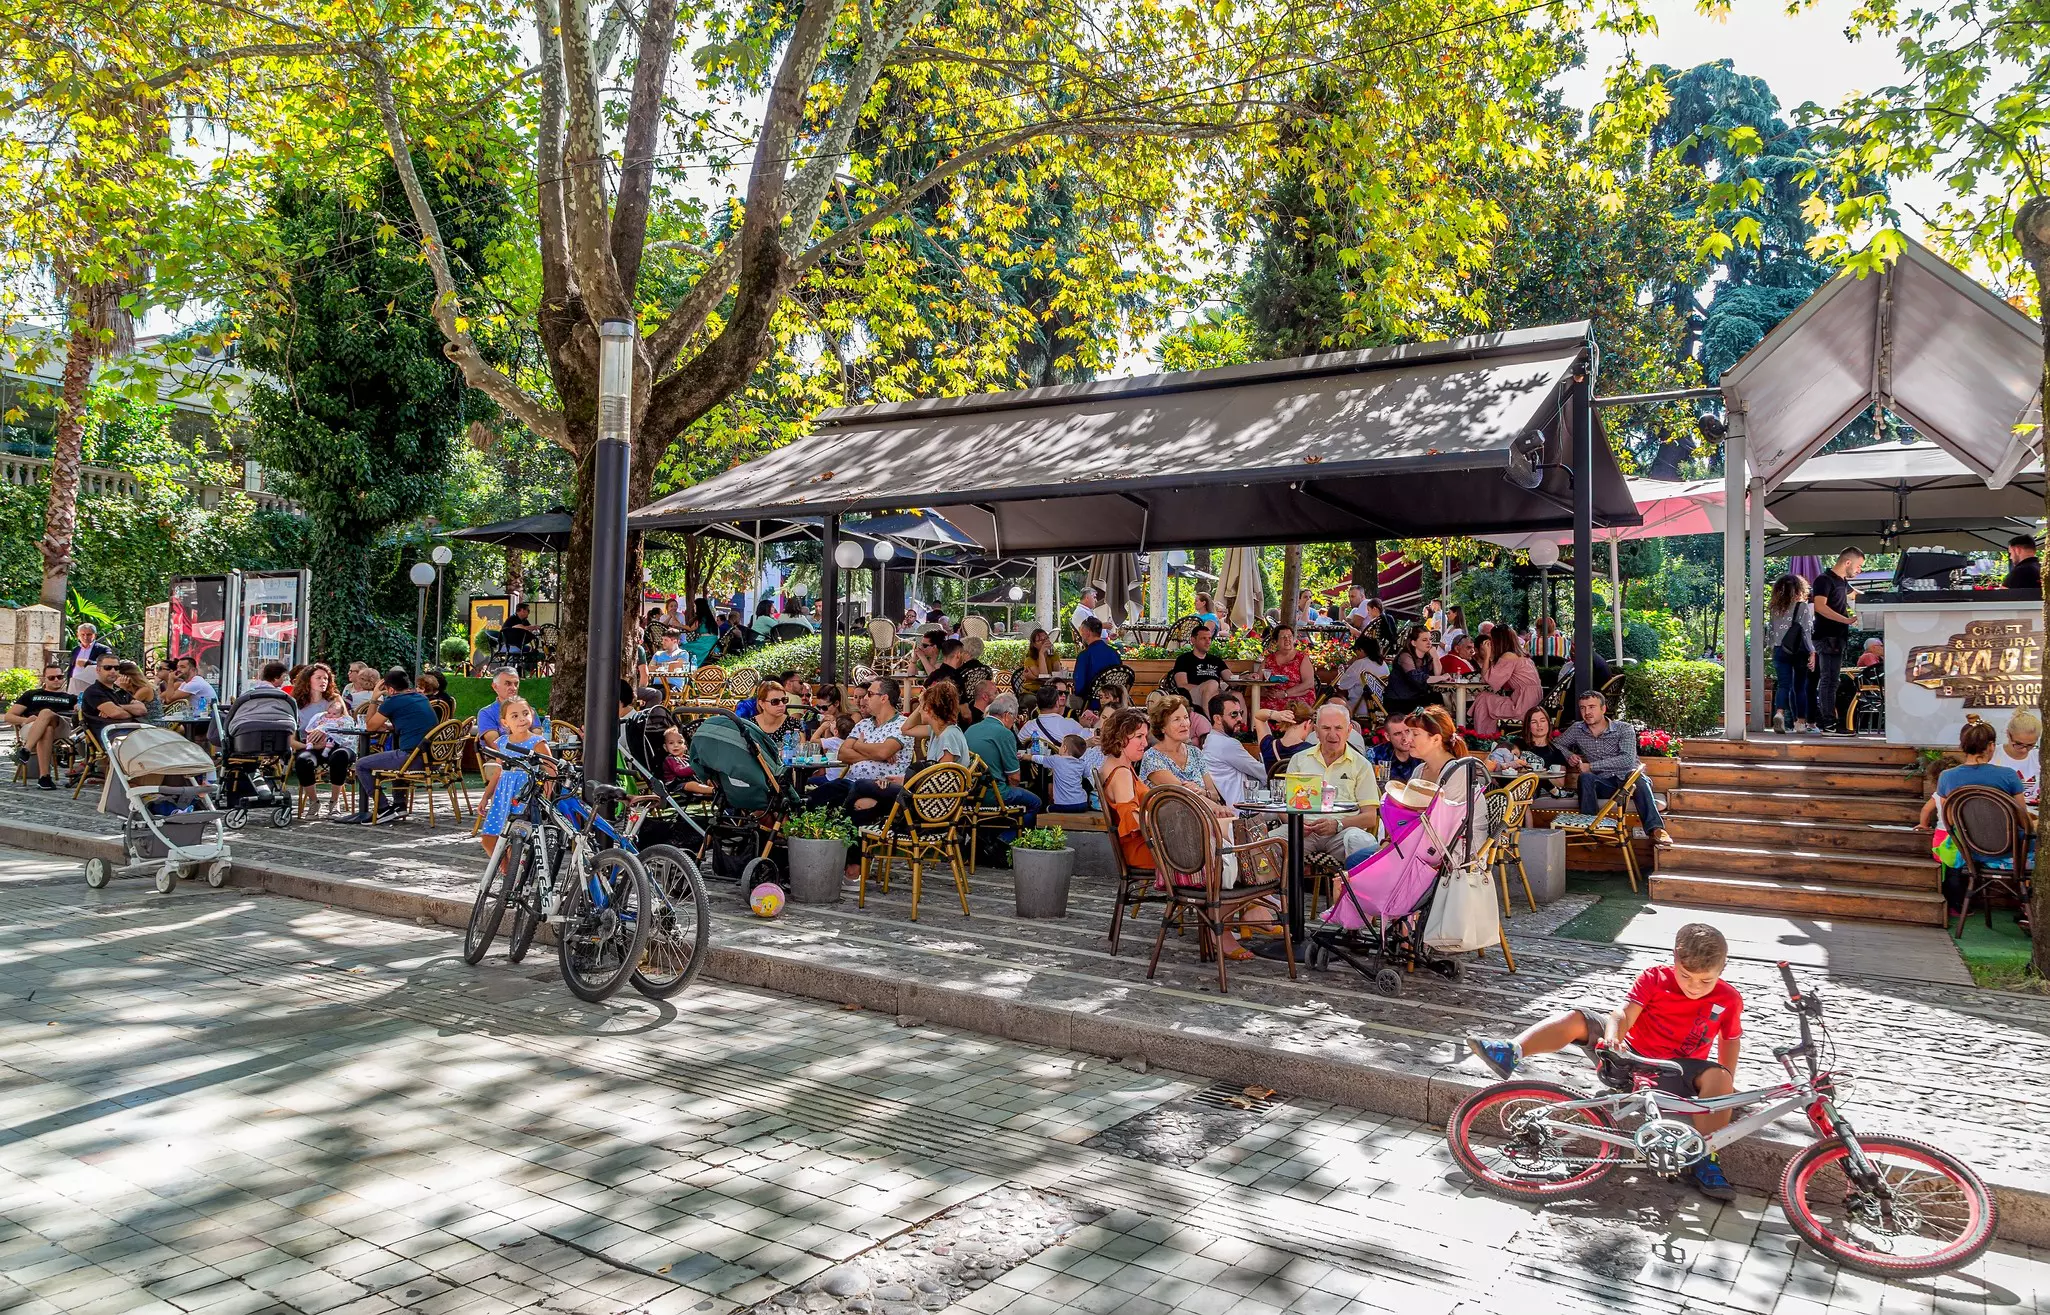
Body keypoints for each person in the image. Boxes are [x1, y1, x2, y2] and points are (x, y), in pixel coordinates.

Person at [1464, 922, 1745, 1201]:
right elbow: (1622, 1014)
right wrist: (1613, 1038)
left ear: (1722, 970)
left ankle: (1704, 1157)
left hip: (1680, 1072)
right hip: (1631, 1060)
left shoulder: (1729, 999)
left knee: (1719, 1077)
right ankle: (1511, 1051)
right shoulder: (1654, 978)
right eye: (1685, 976)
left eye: (1706, 980)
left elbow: (1730, 1040)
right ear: (1674, 959)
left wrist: (1727, 1084)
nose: (1694, 987)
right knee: (1578, 1018)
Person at [1557, 688, 1673, 850]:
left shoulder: (1623, 729)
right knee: (1586, 778)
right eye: (1583, 708)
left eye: (1592, 707)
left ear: (1603, 709)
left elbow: (1627, 760)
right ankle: (1590, 830)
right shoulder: (1577, 729)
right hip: (1605, 784)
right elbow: (1557, 744)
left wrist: (1591, 766)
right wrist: (1569, 755)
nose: (1587, 712)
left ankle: (1656, 829)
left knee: (1635, 776)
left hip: (1629, 783)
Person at [1286, 703, 1382, 865]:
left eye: (1338, 728)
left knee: (1362, 842)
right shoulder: (1300, 760)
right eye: (1326, 728)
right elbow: (1285, 808)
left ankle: (1353, 890)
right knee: (1267, 844)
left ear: (1349, 730)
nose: (1332, 734)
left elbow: (1370, 817)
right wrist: (1296, 823)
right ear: (1315, 731)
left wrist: (1338, 824)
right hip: (1304, 831)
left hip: (1342, 833)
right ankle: (1276, 890)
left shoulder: (1361, 764)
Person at [342, 669, 438, 824]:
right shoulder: (420, 697)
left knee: (361, 765)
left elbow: (370, 726)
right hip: (433, 759)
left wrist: (374, 698)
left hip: (413, 759)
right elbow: (412, 721)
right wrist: (392, 726)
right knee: (394, 755)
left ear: (391, 689)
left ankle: (383, 809)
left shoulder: (392, 701)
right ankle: (399, 805)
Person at [810, 678, 910, 824]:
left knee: (855, 793)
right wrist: (874, 754)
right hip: (851, 782)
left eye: (869, 694)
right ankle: (810, 836)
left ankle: (838, 829)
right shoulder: (863, 724)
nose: (864, 699)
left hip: (883, 786)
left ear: (884, 698)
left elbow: (883, 752)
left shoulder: (902, 725)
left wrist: (857, 745)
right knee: (816, 797)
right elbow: (842, 754)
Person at [478, 697, 551, 856]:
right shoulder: (502, 742)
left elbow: (551, 770)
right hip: (502, 796)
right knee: (488, 838)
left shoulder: (537, 742)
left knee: (516, 841)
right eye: (515, 716)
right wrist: (486, 797)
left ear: (531, 715)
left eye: (525, 714)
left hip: (524, 794)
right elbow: (499, 771)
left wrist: (546, 796)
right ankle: (506, 872)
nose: (522, 719)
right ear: (505, 722)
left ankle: (515, 876)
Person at [967, 693, 1041, 836]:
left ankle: (990, 839)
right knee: (1035, 802)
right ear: (1007, 715)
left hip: (971, 794)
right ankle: (1004, 842)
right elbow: (1015, 778)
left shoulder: (971, 729)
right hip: (994, 794)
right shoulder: (1004, 733)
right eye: (1014, 718)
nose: (1013, 722)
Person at [1808, 547, 1863, 733]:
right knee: (1829, 680)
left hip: (1837, 637)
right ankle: (1828, 722)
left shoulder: (1842, 581)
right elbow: (1820, 607)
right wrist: (1846, 620)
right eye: (1858, 566)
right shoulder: (1824, 580)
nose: (1859, 570)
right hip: (1827, 636)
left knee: (1832, 680)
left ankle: (1829, 721)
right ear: (1847, 562)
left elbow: (1855, 595)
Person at [291, 663, 356, 812]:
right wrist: (312, 745)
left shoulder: (334, 699)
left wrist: (325, 728)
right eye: (319, 678)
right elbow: (291, 740)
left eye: (326, 678)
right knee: (303, 761)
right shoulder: (296, 704)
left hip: (337, 743)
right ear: (308, 680)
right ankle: (314, 802)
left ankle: (334, 801)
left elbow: (347, 726)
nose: (323, 681)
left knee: (340, 756)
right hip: (309, 746)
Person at [7, 666, 76, 789]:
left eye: (59, 677)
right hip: (32, 727)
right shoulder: (31, 694)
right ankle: (44, 778)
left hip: (60, 726)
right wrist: (26, 720)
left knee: (46, 712)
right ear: (44, 679)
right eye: (51, 677)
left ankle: (26, 750)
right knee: (47, 729)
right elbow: (9, 716)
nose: (56, 680)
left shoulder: (70, 698)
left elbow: (80, 710)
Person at [1468, 625, 1540, 736]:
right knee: (1487, 699)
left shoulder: (1508, 656)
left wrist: (1487, 656)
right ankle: (1488, 735)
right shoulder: (1521, 655)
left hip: (1522, 706)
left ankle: (1483, 737)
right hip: (1530, 702)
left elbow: (1488, 681)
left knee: (1483, 699)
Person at [1767, 575, 1818, 734]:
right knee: (1799, 687)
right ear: (1799, 589)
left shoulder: (1775, 608)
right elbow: (1806, 631)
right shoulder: (1801, 607)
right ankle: (1800, 723)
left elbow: (1770, 632)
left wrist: (1772, 648)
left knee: (1783, 685)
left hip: (1779, 650)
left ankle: (1780, 713)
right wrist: (1812, 652)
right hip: (1798, 651)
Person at [1201, 693, 1266, 806]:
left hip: (1238, 805)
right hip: (1242, 810)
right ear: (1217, 719)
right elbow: (1262, 772)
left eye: (1241, 713)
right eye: (1234, 714)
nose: (1240, 718)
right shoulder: (1226, 744)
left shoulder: (1211, 740)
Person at [80, 652, 147, 745]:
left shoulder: (120, 690)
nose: (113, 671)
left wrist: (119, 706)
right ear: (98, 670)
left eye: (116, 668)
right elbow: (117, 713)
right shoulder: (93, 691)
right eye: (108, 668)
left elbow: (142, 710)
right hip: (111, 735)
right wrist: (131, 711)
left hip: (133, 730)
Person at [1170, 624, 1229, 716]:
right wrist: (1206, 688)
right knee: (1212, 683)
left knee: (1237, 695)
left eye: (1209, 638)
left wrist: (1246, 677)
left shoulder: (1216, 660)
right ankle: (1209, 722)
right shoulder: (1184, 659)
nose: (1208, 642)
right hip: (1192, 694)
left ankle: (1242, 728)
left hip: (1215, 693)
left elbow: (1230, 678)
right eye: (1203, 638)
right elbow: (1181, 685)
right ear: (1193, 640)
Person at [1383, 625, 1441, 715]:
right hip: (1399, 700)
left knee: (1438, 698)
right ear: (1414, 643)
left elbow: (1437, 675)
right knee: (1434, 703)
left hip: (1415, 698)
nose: (1429, 643)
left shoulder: (1427, 657)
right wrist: (1442, 677)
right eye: (1424, 640)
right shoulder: (1405, 656)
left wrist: (1436, 657)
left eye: (1430, 639)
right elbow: (1416, 678)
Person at [1030, 734, 1095, 812]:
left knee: (1046, 809)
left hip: (1063, 806)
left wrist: (1026, 756)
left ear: (1064, 748)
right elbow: (1087, 774)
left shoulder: (1056, 759)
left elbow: (1039, 759)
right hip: (1082, 804)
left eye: (1061, 745)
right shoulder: (1082, 763)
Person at [1070, 617, 1122, 709]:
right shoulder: (1114, 653)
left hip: (1091, 703)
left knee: (1068, 700)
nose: (1080, 634)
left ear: (1087, 632)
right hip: (1115, 702)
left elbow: (1079, 687)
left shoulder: (1085, 655)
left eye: (1081, 631)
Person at [1260, 625, 1317, 707]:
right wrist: (1265, 691)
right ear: (1276, 641)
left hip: (1298, 696)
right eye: (1283, 637)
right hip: (1274, 696)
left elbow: (1309, 683)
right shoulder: (1269, 659)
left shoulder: (1301, 658)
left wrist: (1285, 693)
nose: (1287, 639)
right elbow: (1258, 679)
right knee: (1257, 706)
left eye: (1290, 636)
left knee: (1290, 708)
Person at [1334, 634, 1388, 719]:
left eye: (1356, 650)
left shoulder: (1360, 663)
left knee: (1334, 698)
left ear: (1361, 650)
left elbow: (1342, 685)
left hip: (1360, 707)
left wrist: (1342, 670)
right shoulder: (1382, 663)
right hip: (1380, 706)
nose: (1355, 653)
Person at [1020, 685, 1086, 750]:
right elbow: (1086, 740)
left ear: (1037, 705)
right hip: (1060, 760)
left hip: (1034, 760)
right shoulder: (1070, 724)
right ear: (1057, 703)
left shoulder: (1027, 727)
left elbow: (1017, 745)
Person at [1257, 702, 1315, 773]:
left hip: (1273, 784)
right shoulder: (1312, 752)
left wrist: (1275, 714)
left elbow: (1258, 717)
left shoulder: (1268, 746)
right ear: (1308, 723)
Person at [1998, 709, 2041, 804]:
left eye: (2030, 745)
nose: (2024, 750)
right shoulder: (1994, 755)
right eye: (2019, 744)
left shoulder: (2039, 757)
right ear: (2008, 734)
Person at [1367, 717, 1422, 785]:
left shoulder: (1422, 753)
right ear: (1387, 737)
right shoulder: (1377, 755)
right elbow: (1378, 786)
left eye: (1407, 731)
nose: (1405, 738)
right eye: (1398, 734)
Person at [1515, 706, 1570, 771]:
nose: (1539, 725)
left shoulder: (1556, 753)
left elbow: (1560, 781)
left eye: (1542, 721)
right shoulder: (1516, 744)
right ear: (1528, 726)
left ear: (1549, 724)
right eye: (1534, 722)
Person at [64, 623, 113, 697]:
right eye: (82, 634)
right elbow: (71, 669)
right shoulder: (76, 650)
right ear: (78, 636)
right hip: (74, 686)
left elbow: (108, 664)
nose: (85, 637)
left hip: (91, 685)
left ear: (95, 635)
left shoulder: (103, 649)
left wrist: (88, 663)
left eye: (89, 634)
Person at [643, 628, 691, 696]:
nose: (663, 642)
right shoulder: (658, 654)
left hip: (673, 686)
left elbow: (675, 667)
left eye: (666, 640)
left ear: (675, 641)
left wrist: (658, 666)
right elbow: (650, 668)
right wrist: (668, 665)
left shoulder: (683, 653)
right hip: (656, 686)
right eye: (662, 640)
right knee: (644, 694)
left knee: (657, 694)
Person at [1018, 628, 1062, 702]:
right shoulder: (1029, 659)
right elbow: (1043, 677)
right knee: (1034, 701)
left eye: (1046, 638)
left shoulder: (1054, 656)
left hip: (1049, 691)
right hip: (1031, 692)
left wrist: (1034, 677)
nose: (1044, 642)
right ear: (1034, 644)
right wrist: (1041, 654)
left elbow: (1057, 676)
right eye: (1039, 640)